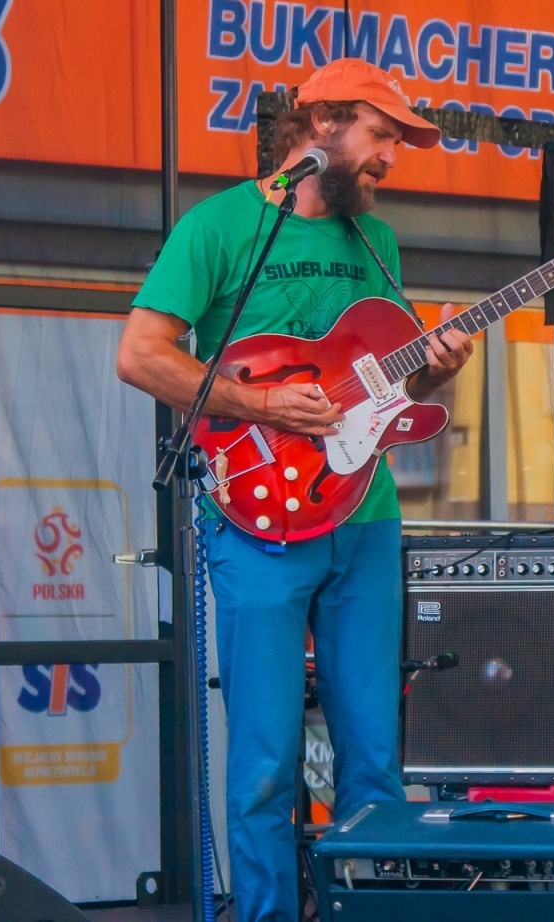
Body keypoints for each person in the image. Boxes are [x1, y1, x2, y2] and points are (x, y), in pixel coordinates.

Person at [116, 58, 475, 921]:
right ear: (321, 125)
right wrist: (262, 400)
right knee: (266, 764)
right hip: (257, 524)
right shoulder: (221, 226)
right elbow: (141, 355)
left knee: (374, 757)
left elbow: (383, 397)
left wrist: (432, 373)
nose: (392, 157)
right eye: (382, 135)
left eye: (398, 139)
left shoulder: (375, 243)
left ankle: (371, 912)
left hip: (367, 519)